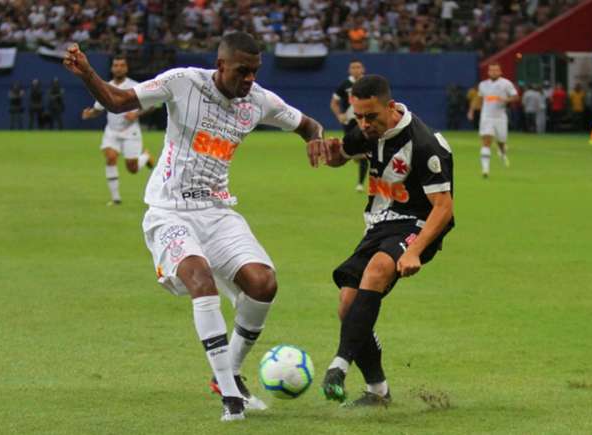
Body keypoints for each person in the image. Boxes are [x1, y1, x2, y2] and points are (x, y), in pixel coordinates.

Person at [64, 32, 326, 421]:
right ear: (221, 65)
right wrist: (88, 74)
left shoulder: (259, 101)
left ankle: (228, 375)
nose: (249, 79)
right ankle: (231, 399)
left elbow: (308, 124)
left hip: (218, 212)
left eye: (254, 72)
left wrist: (317, 139)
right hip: (168, 210)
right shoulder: (182, 81)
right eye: (242, 71)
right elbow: (118, 101)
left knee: (263, 283)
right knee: (199, 279)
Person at [311, 74, 454, 407]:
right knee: (348, 305)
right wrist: (328, 150)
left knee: (376, 271)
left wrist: (416, 251)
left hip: (418, 223)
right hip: (378, 226)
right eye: (357, 116)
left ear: (389, 107)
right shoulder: (364, 130)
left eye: (370, 116)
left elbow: (444, 208)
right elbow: (340, 155)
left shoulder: (424, 143)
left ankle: (338, 367)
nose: (363, 123)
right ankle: (378, 390)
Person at [80, 56, 155, 206]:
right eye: (116, 65)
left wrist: (136, 114)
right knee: (110, 158)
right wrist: (90, 113)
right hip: (112, 132)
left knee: (132, 168)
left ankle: (145, 157)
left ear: (126, 68)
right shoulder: (105, 87)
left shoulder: (135, 86)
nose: (119, 68)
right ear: (112, 68)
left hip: (130, 132)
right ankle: (115, 199)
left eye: (122, 65)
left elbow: (153, 104)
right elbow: (98, 108)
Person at [467, 62, 519, 178]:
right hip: (486, 117)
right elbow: (479, 98)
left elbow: (515, 97)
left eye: (496, 70)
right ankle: (485, 170)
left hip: (500, 117)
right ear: (488, 72)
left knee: (501, 142)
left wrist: (506, 100)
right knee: (486, 141)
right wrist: (471, 110)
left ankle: (502, 152)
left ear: (500, 71)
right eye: (491, 70)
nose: (494, 72)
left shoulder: (506, 84)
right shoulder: (483, 85)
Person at [330, 60, 367, 192]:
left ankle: (360, 184)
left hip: (364, 121)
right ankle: (355, 156)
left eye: (358, 67)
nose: (356, 70)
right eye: (353, 67)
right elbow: (334, 102)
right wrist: (339, 115)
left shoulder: (368, 83)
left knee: (364, 152)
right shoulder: (345, 85)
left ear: (363, 69)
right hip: (349, 122)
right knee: (352, 150)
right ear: (349, 70)